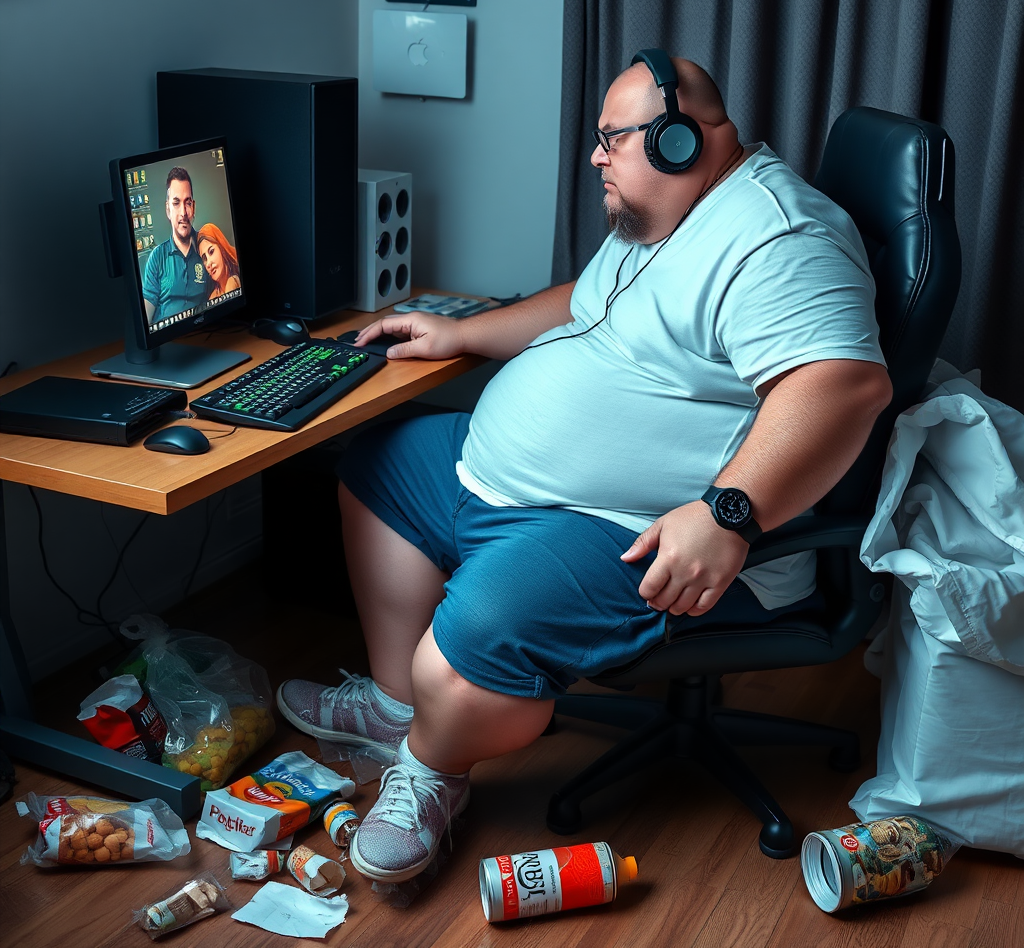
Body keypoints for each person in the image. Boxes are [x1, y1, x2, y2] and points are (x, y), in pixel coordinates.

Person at [277, 52, 894, 884]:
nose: (596, 158)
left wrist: (728, 516)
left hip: (634, 529)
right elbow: (588, 302)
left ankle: (430, 766)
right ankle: (396, 710)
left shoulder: (779, 239)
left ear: (681, 142)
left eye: (614, 140)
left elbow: (844, 385)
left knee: (462, 646)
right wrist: (466, 333)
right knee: (379, 461)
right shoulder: (665, 216)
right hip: (517, 486)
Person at [142, 166, 212, 324]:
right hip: (167, 339)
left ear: (193, 207)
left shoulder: (206, 249)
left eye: (187, 203)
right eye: (176, 203)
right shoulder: (157, 257)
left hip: (202, 335)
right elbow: (146, 319)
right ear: (168, 209)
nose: (183, 213)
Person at [197, 222, 241, 299]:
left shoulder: (235, 279)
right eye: (205, 259)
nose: (208, 264)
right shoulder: (213, 298)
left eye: (211, 252)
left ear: (221, 248)